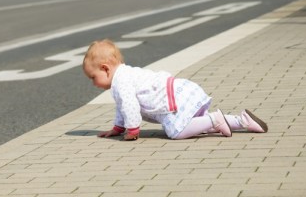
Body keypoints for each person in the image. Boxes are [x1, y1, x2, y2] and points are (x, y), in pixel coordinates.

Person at [82, 39, 268, 141]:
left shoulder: (120, 82)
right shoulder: (124, 76)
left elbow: (129, 106)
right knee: (197, 124)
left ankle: (215, 119)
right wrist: (117, 128)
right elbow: (123, 108)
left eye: (93, 77)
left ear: (106, 68)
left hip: (172, 103)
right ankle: (241, 120)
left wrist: (132, 130)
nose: (93, 83)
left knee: (176, 132)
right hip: (180, 93)